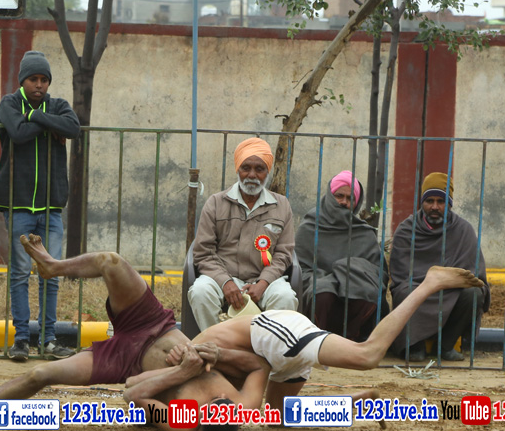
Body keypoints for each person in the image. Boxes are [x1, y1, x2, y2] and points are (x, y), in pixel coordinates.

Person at [0, 235, 269, 431]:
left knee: (41, 373)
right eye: (224, 402)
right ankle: (53, 267)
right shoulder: (244, 405)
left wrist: (182, 372)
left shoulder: (180, 425)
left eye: (211, 405)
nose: (219, 397)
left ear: (199, 419)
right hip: (154, 324)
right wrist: (217, 355)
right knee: (111, 261)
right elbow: (259, 366)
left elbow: (132, 393)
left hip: (124, 361)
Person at [190, 264, 484, 413]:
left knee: (367, 355)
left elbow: (257, 366)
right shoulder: (187, 380)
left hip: (268, 335)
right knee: (281, 416)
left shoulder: (187, 365)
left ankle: (429, 284)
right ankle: (356, 401)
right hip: (267, 349)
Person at [0, 51, 81, 363]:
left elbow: (73, 128)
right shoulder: (9, 104)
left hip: (50, 206)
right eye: (33, 79)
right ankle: (21, 340)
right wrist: (46, 124)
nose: (40, 85)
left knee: (51, 272)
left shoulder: (58, 105)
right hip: (17, 203)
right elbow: (17, 134)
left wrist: (34, 117)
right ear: (23, 81)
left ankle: (49, 339)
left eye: (44, 80)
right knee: (19, 273)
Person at [188, 137, 298, 331]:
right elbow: (203, 252)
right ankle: (215, 343)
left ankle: (266, 347)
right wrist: (225, 282)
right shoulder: (216, 203)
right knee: (200, 292)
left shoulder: (281, 206)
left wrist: (263, 283)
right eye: (246, 168)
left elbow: (284, 253)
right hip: (222, 276)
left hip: (265, 279)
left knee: (286, 297)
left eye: (260, 169)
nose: (252, 175)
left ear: (267, 171)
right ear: (237, 169)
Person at [388, 172, 489, 362]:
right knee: (405, 291)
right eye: (430, 201)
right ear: (422, 202)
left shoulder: (463, 230)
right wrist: (429, 284)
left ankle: (445, 346)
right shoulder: (406, 230)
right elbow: (400, 274)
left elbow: (474, 274)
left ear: (449, 204)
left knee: (474, 293)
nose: (435, 207)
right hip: (417, 288)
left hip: (451, 289)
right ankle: (415, 345)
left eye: (440, 201)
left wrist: (445, 281)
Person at [294, 170, 386, 341]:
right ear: (330, 196)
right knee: (322, 291)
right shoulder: (309, 227)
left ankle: (351, 340)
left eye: (350, 198)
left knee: (367, 291)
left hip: (352, 289)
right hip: (318, 284)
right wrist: (331, 279)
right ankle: (317, 340)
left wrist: (347, 273)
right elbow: (299, 269)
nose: (344, 202)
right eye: (339, 196)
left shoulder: (364, 233)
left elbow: (376, 272)